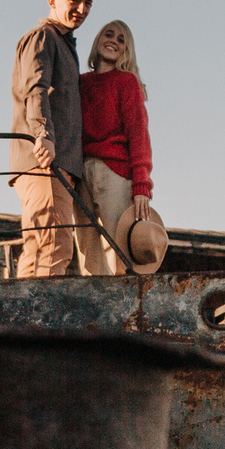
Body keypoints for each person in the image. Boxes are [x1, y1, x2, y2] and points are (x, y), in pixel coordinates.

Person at [10, 0, 92, 278]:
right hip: (45, 162)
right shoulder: (44, 37)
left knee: (39, 248)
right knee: (56, 246)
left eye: (88, 4)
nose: (82, 9)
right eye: (75, 1)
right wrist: (43, 135)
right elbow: (36, 88)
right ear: (52, 0)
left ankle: (20, 309)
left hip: (51, 162)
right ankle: (38, 312)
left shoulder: (63, 44)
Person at [75, 19, 155, 276]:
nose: (113, 41)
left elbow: (139, 135)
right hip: (80, 171)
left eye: (121, 40)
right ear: (98, 40)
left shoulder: (127, 81)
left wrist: (141, 185)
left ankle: (124, 299)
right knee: (87, 252)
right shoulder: (80, 83)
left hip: (114, 173)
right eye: (108, 35)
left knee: (118, 251)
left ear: (126, 50)